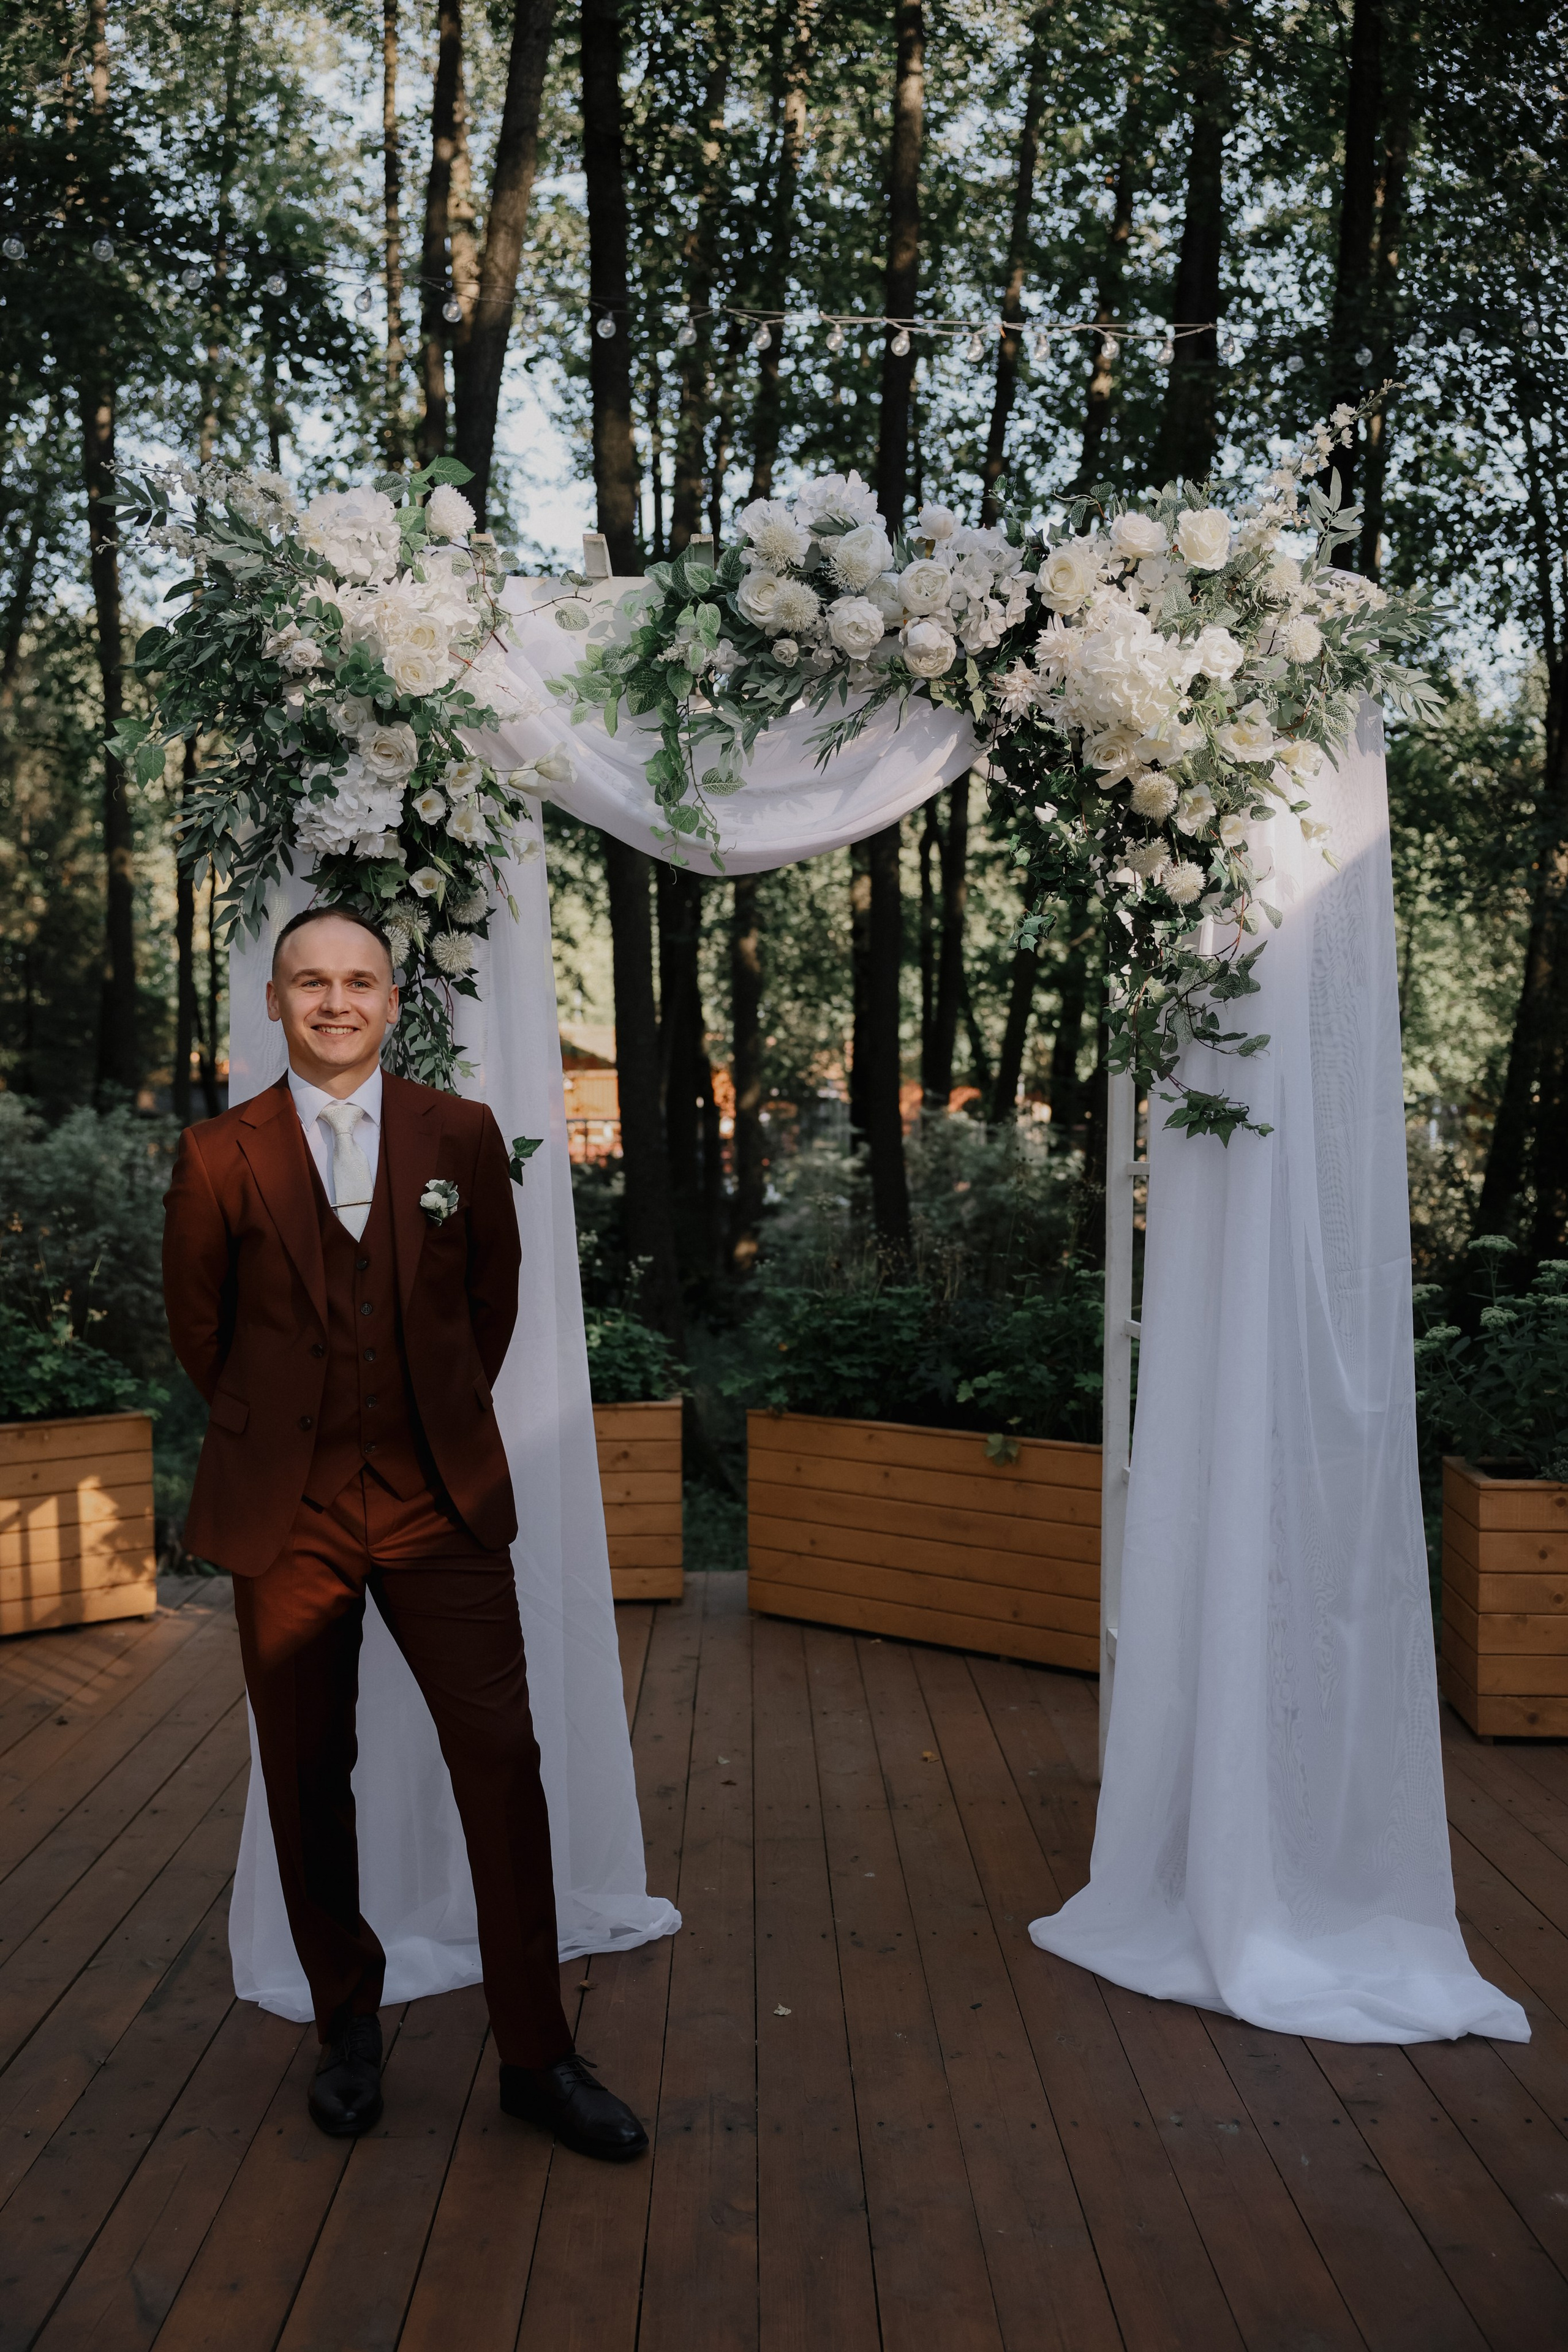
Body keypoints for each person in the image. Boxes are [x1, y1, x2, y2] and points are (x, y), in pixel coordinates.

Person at [162, 903, 647, 2159]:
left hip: (441, 1504)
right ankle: (346, 2026)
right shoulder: (216, 1154)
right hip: (290, 1518)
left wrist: (428, 1418)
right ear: (276, 1000)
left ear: (390, 1000)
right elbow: (201, 1335)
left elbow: (491, 1300)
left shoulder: (461, 1134)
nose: (336, 1002)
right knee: (306, 1775)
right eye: (310, 982)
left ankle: (536, 2056)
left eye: (359, 981)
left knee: (502, 1762)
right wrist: (289, 1438)